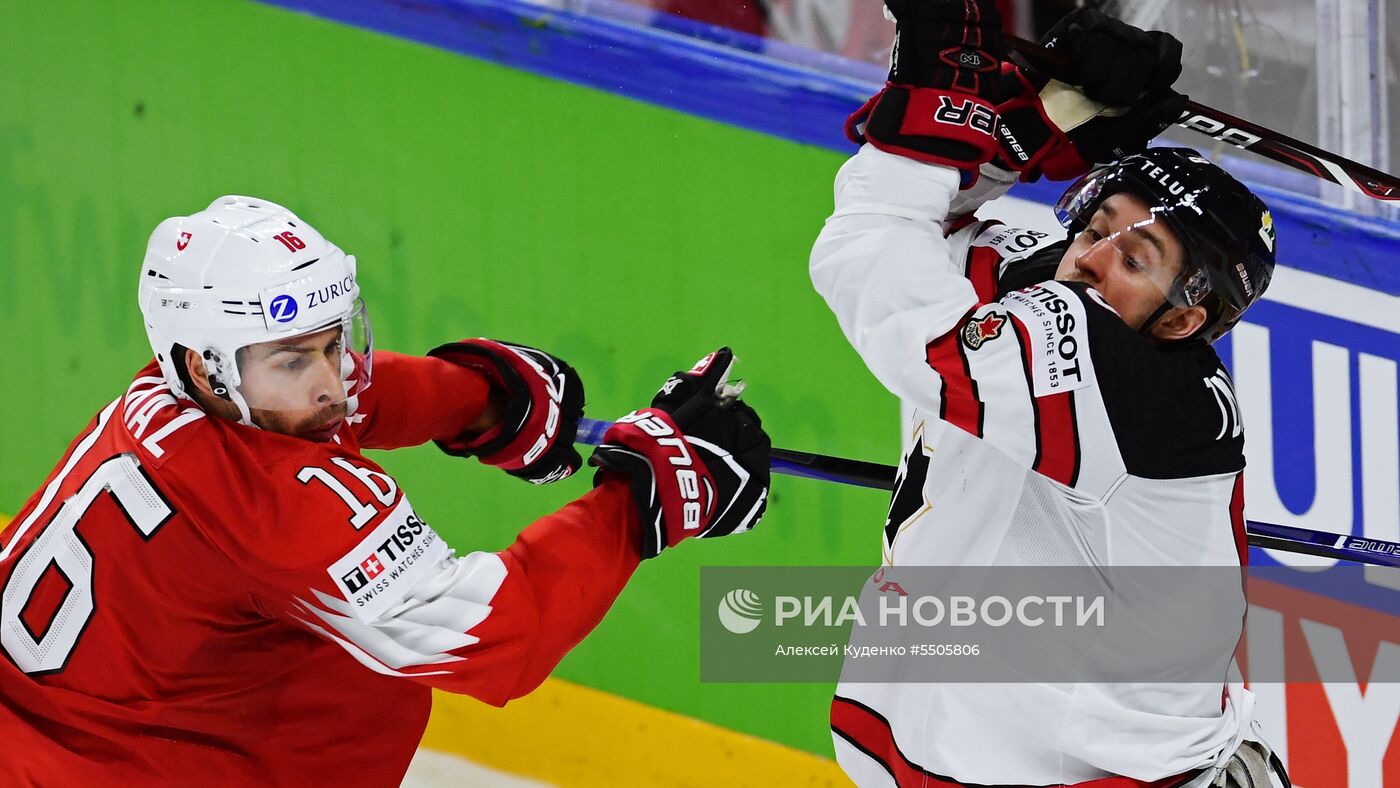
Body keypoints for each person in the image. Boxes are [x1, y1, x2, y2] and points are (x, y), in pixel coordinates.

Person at [0, 196, 771, 785]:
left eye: (335, 343)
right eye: (297, 360)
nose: (332, 381)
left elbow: (343, 396)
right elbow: (497, 635)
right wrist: (642, 501)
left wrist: (480, 398)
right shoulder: (274, 507)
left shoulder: (181, 394)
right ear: (206, 367)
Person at [811, 3, 1289, 786]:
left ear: (1187, 318)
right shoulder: (1082, 293)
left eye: (1136, 256)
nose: (1092, 256)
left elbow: (873, 252)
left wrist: (946, 113)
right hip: (1002, 752)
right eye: (1096, 224)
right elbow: (933, 234)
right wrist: (1036, 117)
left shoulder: (1131, 385)